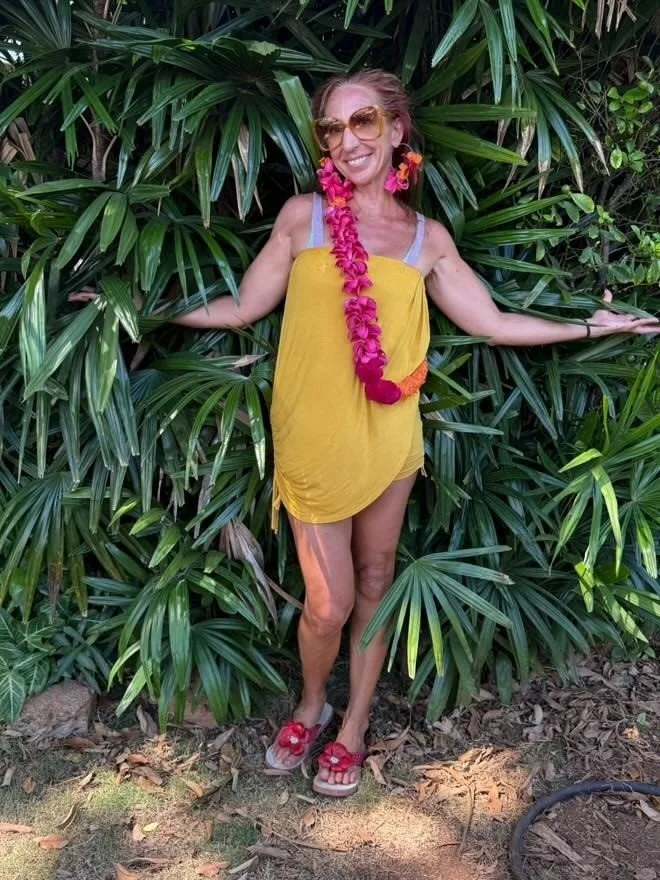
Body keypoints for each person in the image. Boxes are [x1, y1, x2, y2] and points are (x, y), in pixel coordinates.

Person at [71, 69, 659, 798]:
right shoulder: (303, 218)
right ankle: (310, 703)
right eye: (333, 128)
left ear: (397, 130)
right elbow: (241, 308)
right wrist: (137, 306)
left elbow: (493, 322)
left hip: (391, 436)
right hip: (313, 434)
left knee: (378, 580)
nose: (347, 140)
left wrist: (588, 323)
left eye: (364, 123)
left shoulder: (426, 239)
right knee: (328, 602)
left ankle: (351, 724)